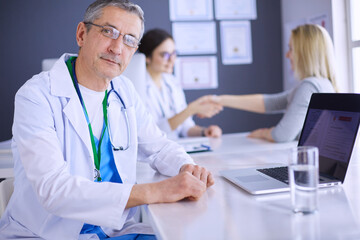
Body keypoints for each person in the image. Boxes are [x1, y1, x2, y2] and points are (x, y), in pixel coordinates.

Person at [0, 1, 214, 239]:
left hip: (112, 230)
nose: (117, 48)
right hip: (47, 233)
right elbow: (54, 190)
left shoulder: (124, 90)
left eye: (129, 39)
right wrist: (155, 191)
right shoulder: (36, 95)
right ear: (82, 34)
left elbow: (159, 147)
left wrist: (188, 168)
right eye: (108, 32)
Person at [212, 24, 337, 142]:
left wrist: (263, 133)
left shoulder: (309, 87)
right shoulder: (321, 84)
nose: (287, 55)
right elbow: (271, 103)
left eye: (291, 49)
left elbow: (282, 135)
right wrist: (220, 100)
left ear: (305, 54)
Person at [138, 29, 223, 140]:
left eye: (173, 54)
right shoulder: (138, 86)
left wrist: (204, 132)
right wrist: (190, 109)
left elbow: (186, 127)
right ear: (147, 57)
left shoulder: (172, 82)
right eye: (165, 55)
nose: (171, 60)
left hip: (176, 148)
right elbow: (153, 132)